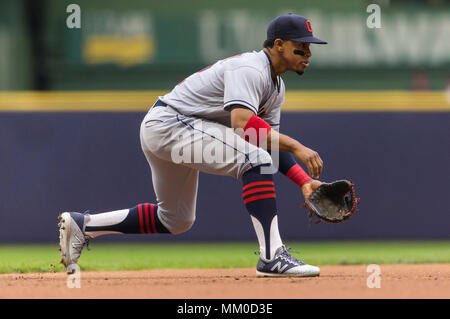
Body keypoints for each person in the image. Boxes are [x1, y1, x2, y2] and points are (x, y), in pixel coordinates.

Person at [58, 13, 327, 277]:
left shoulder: (276, 88)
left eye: (309, 47)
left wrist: (303, 181)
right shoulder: (251, 68)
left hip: (172, 129)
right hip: (169, 124)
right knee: (254, 160)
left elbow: (264, 141)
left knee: (175, 220)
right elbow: (242, 123)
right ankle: (272, 256)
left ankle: (84, 225)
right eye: (301, 46)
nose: (308, 53)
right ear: (278, 44)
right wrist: (296, 146)